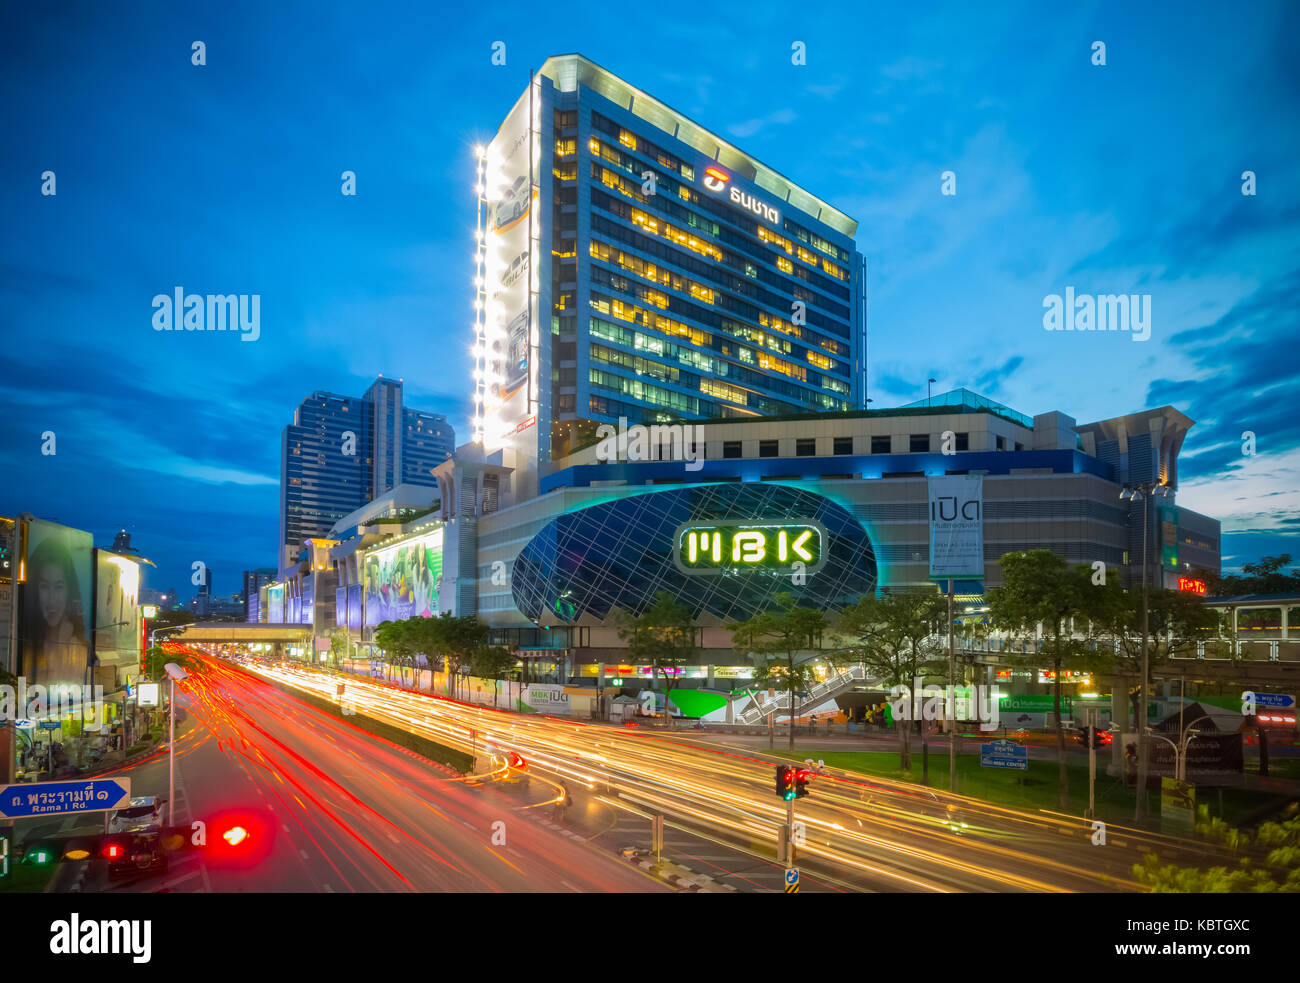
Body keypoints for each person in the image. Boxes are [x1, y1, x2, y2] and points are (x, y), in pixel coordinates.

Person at [25, 533, 89, 686]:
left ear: (69, 590)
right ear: (35, 591)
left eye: (59, 587)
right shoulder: (25, 647)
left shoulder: (80, 649)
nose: (52, 599)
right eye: (45, 587)